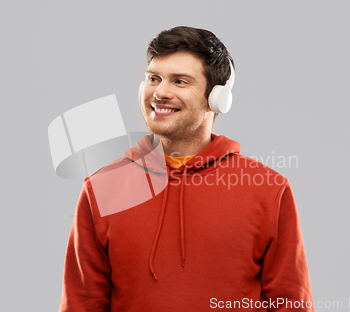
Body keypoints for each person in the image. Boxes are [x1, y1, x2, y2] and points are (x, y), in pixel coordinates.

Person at [59, 26, 314, 311]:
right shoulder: (102, 187)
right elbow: (82, 304)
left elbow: (292, 303)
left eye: (180, 81)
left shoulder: (267, 189)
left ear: (216, 99)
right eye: (154, 78)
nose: (160, 93)